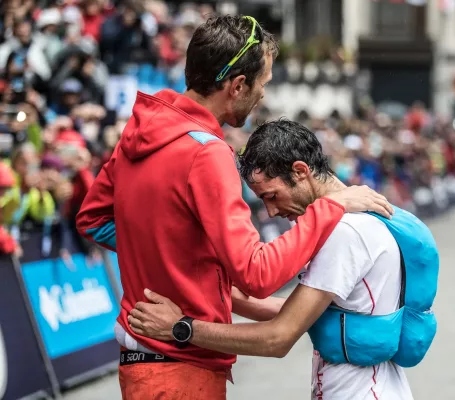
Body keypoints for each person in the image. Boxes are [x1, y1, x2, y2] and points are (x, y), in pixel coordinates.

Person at [76, 15, 392, 400]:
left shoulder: (140, 129)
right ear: (238, 85)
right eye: (262, 83)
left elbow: (91, 220)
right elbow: (257, 274)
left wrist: (171, 259)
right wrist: (331, 207)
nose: (262, 95)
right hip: (179, 368)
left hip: (145, 365)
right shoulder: (208, 153)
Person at [127, 119, 414, 400]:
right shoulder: (348, 221)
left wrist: (181, 327)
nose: (272, 212)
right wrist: (209, 289)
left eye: (272, 196)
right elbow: (299, 312)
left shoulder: (345, 233)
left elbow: (278, 337)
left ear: (301, 171)